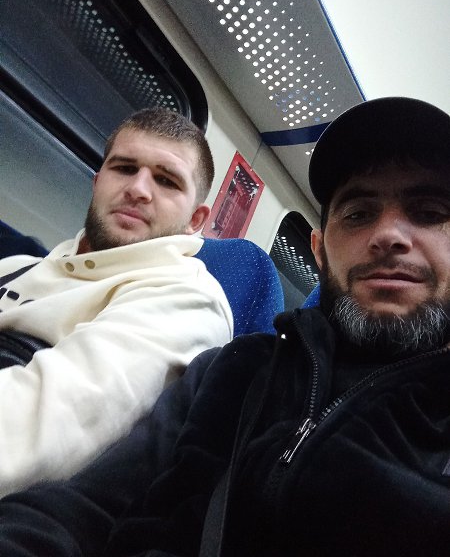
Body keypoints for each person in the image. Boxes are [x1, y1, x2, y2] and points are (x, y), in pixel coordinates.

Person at [0, 96, 449, 556]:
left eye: (429, 213)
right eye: (358, 214)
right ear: (319, 250)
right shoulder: (238, 369)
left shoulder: (183, 302)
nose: (388, 235)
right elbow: (90, 506)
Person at [0, 107, 233, 496]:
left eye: (166, 180)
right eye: (124, 168)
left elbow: (39, 428)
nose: (139, 188)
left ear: (196, 220)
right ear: (97, 182)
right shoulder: (17, 267)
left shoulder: (187, 298)